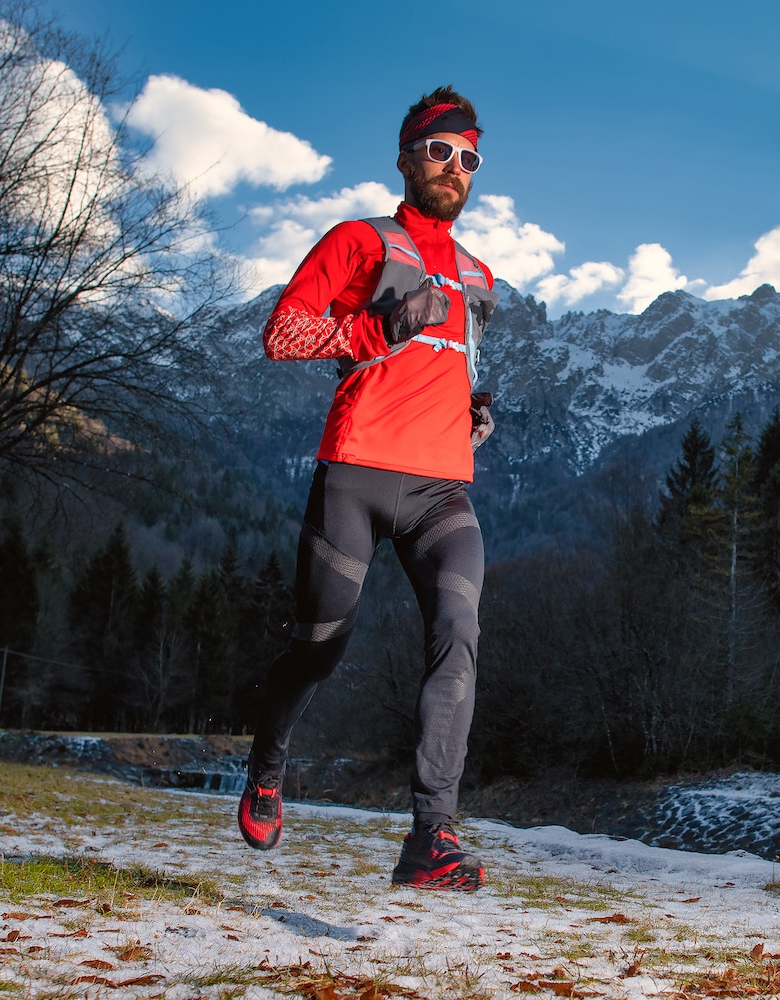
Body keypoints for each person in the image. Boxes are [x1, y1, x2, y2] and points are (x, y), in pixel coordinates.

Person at [236, 85, 498, 892]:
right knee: (320, 647)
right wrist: (376, 327)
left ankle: (431, 834)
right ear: (407, 158)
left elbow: (451, 366)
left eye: (470, 159)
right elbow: (283, 332)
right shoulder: (359, 240)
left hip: (442, 489)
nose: (455, 168)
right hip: (356, 471)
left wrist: (472, 411)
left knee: (457, 631)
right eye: (440, 151)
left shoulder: (480, 275)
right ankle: (268, 765)